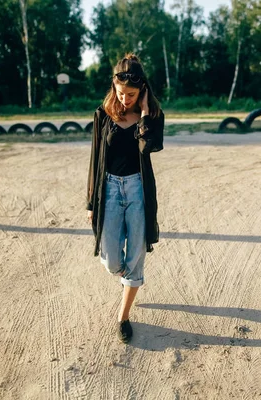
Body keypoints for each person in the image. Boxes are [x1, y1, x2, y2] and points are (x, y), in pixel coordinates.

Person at [86, 53, 164, 343]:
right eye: (120, 93)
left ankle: (124, 315)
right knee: (109, 260)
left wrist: (143, 113)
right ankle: (127, 277)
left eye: (131, 94)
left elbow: (149, 146)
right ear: (113, 87)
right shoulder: (102, 114)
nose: (125, 99)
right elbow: (95, 159)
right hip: (108, 188)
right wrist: (91, 203)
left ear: (142, 89)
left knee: (136, 258)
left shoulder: (153, 116)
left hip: (138, 190)